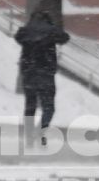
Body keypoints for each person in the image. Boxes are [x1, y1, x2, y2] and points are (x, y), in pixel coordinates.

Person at [14, 9, 71, 143]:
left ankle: (29, 135)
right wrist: (50, 31)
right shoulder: (51, 31)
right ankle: (41, 132)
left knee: (30, 105)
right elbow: (65, 38)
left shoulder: (25, 31)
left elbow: (18, 37)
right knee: (49, 108)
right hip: (46, 74)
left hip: (29, 73)